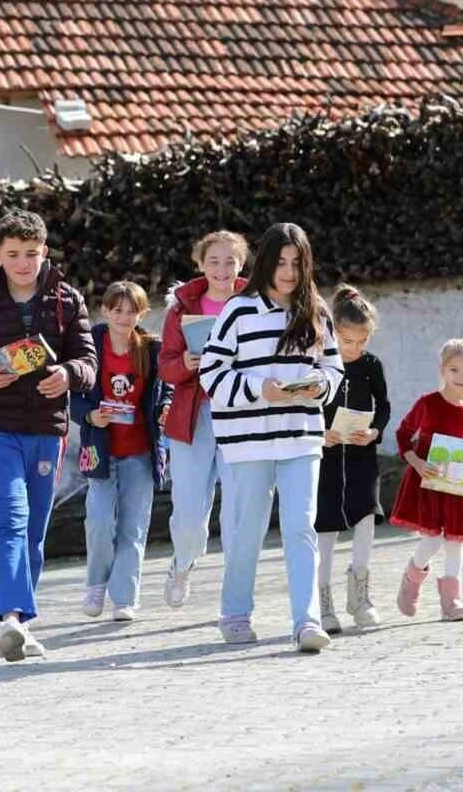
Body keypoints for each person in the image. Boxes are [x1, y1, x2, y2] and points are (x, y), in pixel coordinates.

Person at [0, 209, 97, 661]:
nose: (24, 263)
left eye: (31, 253)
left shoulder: (69, 301)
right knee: (8, 519)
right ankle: (11, 615)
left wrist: (68, 375)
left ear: (44, 251)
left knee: (34, 529)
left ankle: (22, 625)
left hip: (48, 429)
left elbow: (88, 362)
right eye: (13, 255)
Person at [198, 223, 344, 653]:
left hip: (301, 437)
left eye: (296, 263)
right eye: (280, 262)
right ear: (265, 263)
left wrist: (321, 386)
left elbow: (334, 368)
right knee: (248, 529)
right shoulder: (238, 311)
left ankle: (307, 621)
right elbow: (211, 373)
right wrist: (258, 389)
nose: (288, 271)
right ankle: (236, 612)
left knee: (301, 528)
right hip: (249, 441)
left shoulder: (316, 311)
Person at [157, 230, 249, 608]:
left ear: (242, 264)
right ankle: (182, 561)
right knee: (190, 510)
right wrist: (185, 364)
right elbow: (165, 366)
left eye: (231, 261)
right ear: (200, 265)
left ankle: (236, 586)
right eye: (214, 261)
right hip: (193, 417)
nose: (222, 269)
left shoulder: (256, 303)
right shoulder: (180, 309)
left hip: (241, 415)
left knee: (240, 509)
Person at [72, 281, 167, 622]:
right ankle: (96, 584)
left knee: (133, 526)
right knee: (98, 521)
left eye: (132, 311)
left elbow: (164, 392)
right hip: (100, 449)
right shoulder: (90, 345)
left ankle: (125, 597)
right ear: (105, 311)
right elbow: (72, 394)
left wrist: (165, 411)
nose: (124, 317)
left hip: (140, 452)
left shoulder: (152, 349)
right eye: (117, 310)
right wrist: (89, 414)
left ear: (142, 314)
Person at [390, 338, 463, 622]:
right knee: (432, 539)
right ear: (443, 370)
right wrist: (417, 463)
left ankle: (451, 601)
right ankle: (410, 581)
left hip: (458, 486)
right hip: (429, 483)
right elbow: (403, 434)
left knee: (455, 542)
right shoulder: (427, 403)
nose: (461, 377)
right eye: (454, 370)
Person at [315, 286, 391, 633]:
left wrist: (374, 431)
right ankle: (322, 601)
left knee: (365, 519)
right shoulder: (318, 361)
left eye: (362, 342)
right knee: (326, 527)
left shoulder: (372, 365)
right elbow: (306, 405)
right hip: (326, 458)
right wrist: (321, 433)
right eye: (348, 341)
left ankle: (360, 595)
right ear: (333, 331)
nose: (355, 349)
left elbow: (384, 406)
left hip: (362, 456)